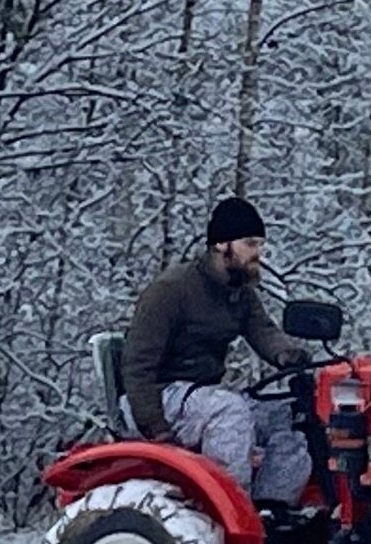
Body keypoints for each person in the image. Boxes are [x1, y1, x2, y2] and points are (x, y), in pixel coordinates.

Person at [122, 196, 313, 505]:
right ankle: (229, 510)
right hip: (158, 396)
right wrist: (155, 427)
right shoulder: (172, 290)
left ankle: (270, 510)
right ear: (222, 245)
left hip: (202, 396)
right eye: (250, 244)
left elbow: (262, 330)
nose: (258, 253)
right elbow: (137, 366)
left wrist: (287, 354)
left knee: (289, 416)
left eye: (259, 244)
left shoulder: (239, 292)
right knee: (230, 412)